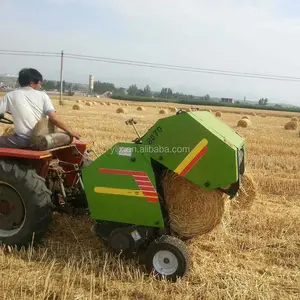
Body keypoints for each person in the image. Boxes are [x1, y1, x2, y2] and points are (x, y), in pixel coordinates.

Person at [0, 68, 80, 149]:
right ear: (31, 83)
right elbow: (54, 119)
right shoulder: (43, 96)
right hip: (42, 139)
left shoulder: (10, 95)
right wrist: (69, 132)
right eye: (39, 83)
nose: (40, 86)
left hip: (22, 140)